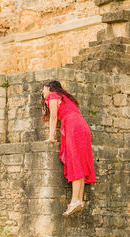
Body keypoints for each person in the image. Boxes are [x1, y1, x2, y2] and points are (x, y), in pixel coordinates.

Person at [41, 80, 96, 216]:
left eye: (43, 89)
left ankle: (74, 201)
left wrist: (51, 136)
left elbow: (53, 116)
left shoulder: (52, 96)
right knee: (81, 162)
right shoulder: (64, 98)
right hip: (82, 125)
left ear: (50, 89)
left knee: (75, 161)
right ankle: (79, 200)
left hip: (73, 126)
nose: (42, 92)